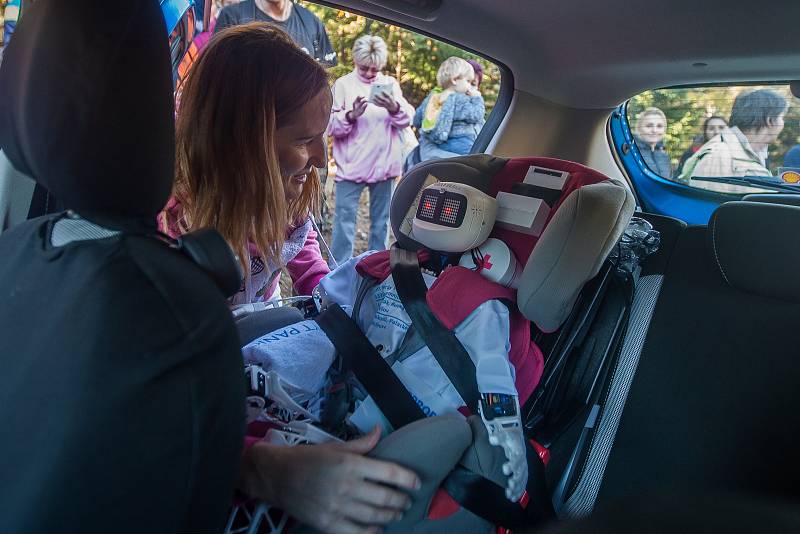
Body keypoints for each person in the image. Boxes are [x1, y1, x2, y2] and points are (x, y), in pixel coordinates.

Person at [161, 24, 420, 532]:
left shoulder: (286, 202)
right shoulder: (169, 234)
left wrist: (349, 303)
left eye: (321, 139)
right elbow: (159, 406)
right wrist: (262, 468)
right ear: (241, 143)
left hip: (250, 355)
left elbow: (307, 268)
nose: (323, 159)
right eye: (304, 141)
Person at [327, 34, 414, 265]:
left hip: (384, 168)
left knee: (382, 223)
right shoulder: (343, 85)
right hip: (350, 168)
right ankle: (337, 268)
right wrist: (351, 115)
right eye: (364, 68)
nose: (368, 73)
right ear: (356, 61)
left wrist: (393, 107)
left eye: (374, 69)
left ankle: (375, 267)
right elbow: (329, 126)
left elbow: (407, 119)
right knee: (343, 223)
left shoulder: (390, 85)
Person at [678, 89, 787, 182]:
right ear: (770, 120)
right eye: (782, 118)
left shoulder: (747, 153)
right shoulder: (719, 158)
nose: (783, 123)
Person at [214, 0, 336, 66]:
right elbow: (216, 73)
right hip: (249, 108)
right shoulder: (233, 17)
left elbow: (322, 79)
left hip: (297, 109)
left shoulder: (312, 22)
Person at [414, 56, 485, 161]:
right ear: (455, 80)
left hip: (438, 147)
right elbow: (477, 115)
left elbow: (416, 120)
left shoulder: (432, 98)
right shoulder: (460, 99)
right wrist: (477, 97)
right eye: (468, 81)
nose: (469, 87)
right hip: (462, 148)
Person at [633, 107, 672, 177]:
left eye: (659, 126)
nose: (654, 130)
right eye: (649, 126)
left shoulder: (664, 156)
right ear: (639, 128)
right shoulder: (632, 154)